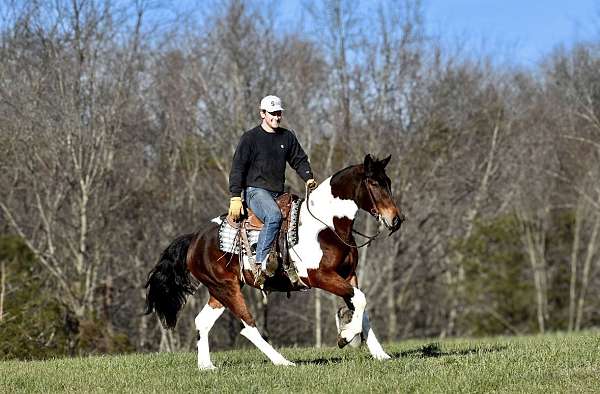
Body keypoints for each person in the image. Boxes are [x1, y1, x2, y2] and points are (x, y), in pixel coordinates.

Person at [228, 95, 317, 287]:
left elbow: (299, 160)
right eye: (272, 114)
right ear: (262, 114)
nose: (277, 117)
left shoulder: (287, 137)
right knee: (274, 217)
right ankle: (259, 264)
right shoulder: (250, 138)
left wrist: (308, 177)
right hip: (255, 191)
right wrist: (235, 196)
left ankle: (288, 264)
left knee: (299, 219)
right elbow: (238, 168)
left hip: (278, 193)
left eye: (279, 113)